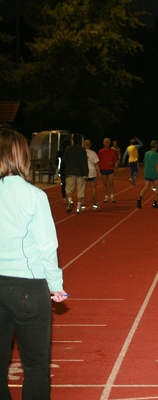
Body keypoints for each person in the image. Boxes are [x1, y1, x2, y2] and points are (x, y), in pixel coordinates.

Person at [0, 129, 68, 399]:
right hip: (27, 287)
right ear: (23, 157)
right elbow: (46, 247)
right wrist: (56, 286)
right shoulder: (34, 196)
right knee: (36, 365)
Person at [62, 134, 88, 214]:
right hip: (80, 172)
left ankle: (70, 201)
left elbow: (64, 159)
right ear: (80, 141)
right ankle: (78, 207)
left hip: (70, 171)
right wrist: (86, 173)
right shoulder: (82, 150)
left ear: (72, 140)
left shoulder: (68, 149)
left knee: (69, 189)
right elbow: (84, 162)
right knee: (80, 189)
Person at [137, 140, 158, 209]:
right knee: (157, 188)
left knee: (145, 188)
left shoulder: (146, 153)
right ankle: (155, 203)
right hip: (154, 173)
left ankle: (139, 198)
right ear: (156, 146)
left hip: (147, 173)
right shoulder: (156, 154)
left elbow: (145, 163)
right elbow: (157, 165)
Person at [98, 138, 118, 203]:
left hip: (110, 169)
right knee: (104, 184)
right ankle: (106, 197)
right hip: (103, 169)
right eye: (106, 142)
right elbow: (98, 161)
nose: (107, 143)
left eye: (108, 142)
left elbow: (115, 160)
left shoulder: (113, 151)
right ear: (103, 143)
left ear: (109, 143)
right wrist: (98, 170)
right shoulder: (100, 151)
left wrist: (112, 163)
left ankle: (112, 197)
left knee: (111, 183)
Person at [83, 140, 101, 211]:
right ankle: (95, 204)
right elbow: (96, 164)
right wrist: (99, 173)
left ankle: (82, 205)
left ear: (84, 145)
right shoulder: (93, 153)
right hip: (92, 172)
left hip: (84, 172)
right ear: (90, 145)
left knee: (83, 189)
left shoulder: (82, 152)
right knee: (93, 189)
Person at [56, 139, 71, 204]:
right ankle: (69, 198)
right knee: (69, 184)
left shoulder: (60, 152)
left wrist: (58, 168)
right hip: (69, 170)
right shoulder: (70, 152)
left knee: (63, 184)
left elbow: (56, 161)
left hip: (62, 169)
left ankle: (64, 198)